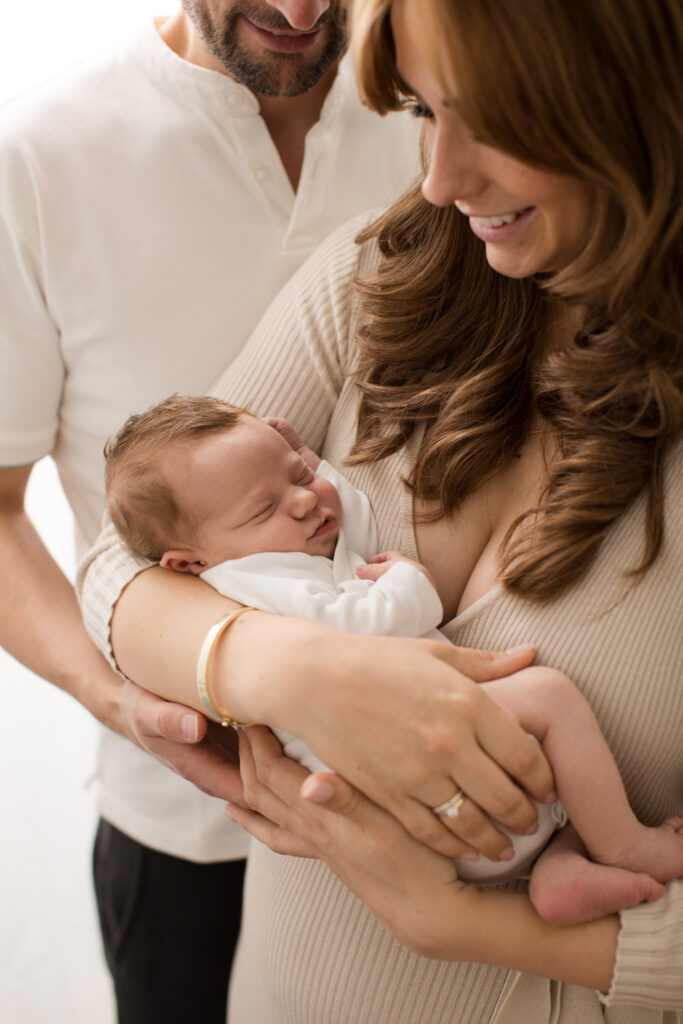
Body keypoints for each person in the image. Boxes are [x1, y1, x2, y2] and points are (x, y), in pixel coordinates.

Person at [79, 0, 683, 1020]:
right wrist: (293, 667)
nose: (440, 178)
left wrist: (463, 924)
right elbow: (119, 560)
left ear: (636, 96)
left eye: (493, 119)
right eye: (423, 110)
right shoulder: (384, 271)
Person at [0, 1, 421, 1020]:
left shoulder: (433, 106)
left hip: (420, 811)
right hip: (184, 829)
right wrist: (124, 703)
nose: (300, 11)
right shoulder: (43, 158)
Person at [103, 391, 683, 916]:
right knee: (548, 695)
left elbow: (352, 530)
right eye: (264, 508)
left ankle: (560, 872)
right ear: (188, 562)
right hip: (416, 791)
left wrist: (314, 468)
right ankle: (626, 844)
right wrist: (409, 581)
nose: (304, 501)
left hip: (433, 814)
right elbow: (363, 628)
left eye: (298, 476)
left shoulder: (275, 553)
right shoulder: (253, 585)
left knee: (554, 795)